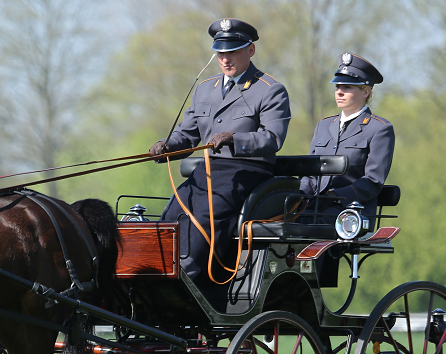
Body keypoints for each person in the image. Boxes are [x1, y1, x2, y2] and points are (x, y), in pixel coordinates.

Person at [149, 18, 291, 287]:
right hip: (206, 171)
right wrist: (167, 146)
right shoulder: (205, 89)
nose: (225, 60)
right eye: (220, 53)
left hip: (246, 172)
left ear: (250, 50)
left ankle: (187, 282)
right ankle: (154, 278)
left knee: (204, 217)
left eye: (232, 52)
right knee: (171, 215)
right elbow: (188, 134)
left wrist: (234, 139)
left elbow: (273, 138)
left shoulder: (270, 90)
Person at [299, 53, 394, 221]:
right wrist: (301, 194)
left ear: (365, 92)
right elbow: (310, 172)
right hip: (314, 206)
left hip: (351, 211)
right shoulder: (324, 125)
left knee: (305, 223)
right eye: (337, 87)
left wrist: (335, 196)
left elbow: (373, 181)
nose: (339, 92)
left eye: (347, 87)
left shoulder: (379, 129)